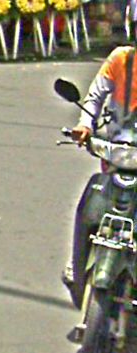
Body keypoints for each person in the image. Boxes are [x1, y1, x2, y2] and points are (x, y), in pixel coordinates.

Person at [63, 43, 137, 309]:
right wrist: (84, 125)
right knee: (96, 200)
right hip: (118, 149)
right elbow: (94, 97)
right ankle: (77, 259)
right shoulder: (121, 59)